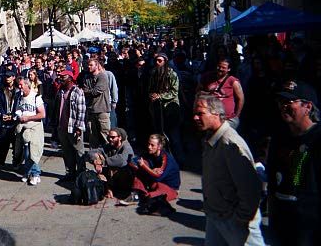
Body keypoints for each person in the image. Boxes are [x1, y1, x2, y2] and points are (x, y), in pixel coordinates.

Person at [193, 92, 264, 246]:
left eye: (200, 113)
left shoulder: (231, 144)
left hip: (234, 220)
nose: (195, 118)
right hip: (215, 215)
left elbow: (251, 189)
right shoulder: (209, 139)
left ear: (216, 114)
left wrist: (241, 218)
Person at [267, 83, 321, 245]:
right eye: (281, 102)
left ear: (307, 106)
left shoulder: (317, 139)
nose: (283, 106)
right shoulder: (280, 137)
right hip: (281, 221)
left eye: (290, 102)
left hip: (310, 226)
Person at [148, 53, 185, 166]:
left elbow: (174, 92)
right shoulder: (154, 73)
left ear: (165, 61)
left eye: (160, 61)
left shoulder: (171, 74)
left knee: (173, 136)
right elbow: (150, 88)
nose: (157, 63)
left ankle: (179, 161)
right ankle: (163, 160)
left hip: (171, 107)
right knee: (160, 135)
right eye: (156, 61)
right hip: (157, 108)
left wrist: (160, 96)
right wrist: (152, 95)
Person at [129, 134, 181, 202]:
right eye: (148, 144)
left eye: (152, 145)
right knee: (138, 171)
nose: (149, 147)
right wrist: (150, 170)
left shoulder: (166, 158)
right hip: (155, 183)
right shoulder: (149, 154)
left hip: (168, 187)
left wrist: (144, 166)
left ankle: (143, 195)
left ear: (159, 146)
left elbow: (158, 177)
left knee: (151, 198)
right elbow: (132, 161)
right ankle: (138, 194)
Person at [54, 70, 86, 181]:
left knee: (78, 151)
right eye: (60, 77)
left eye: (64, 77)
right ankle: (70, 173)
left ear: (70, 79)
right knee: (66, 152)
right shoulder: (60, 91)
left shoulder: (77, 91)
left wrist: (79, 128)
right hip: (62, 127)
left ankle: (81, 175)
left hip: (73, 127)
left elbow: (81, 111)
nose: (61, 79)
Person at [197, 58, 244, 129]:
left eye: (223, 67)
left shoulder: (233, 81)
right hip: (210, 116)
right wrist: (208, 93)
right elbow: (198, 91)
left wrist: (237, 116)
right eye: (219, 66)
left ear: (229, 69)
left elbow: (241, 99)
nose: (220, 69)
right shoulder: (207, 77)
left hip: (228, 119)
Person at [15, 77, 46, 185]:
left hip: (35, 127)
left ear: (27, 85)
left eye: (21, 85)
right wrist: (19, 115)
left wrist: (28, 118)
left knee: (32, 151)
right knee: (26, 151)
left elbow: (42, 114)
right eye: (19, 85)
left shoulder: (36, 97)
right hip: (24, 127)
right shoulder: (20, 97)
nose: (20, 87)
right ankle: (28, 172)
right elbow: (18, 109)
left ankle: (35, 173)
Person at [0, 71, 22, 172]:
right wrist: (2, 114)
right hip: (4, 122)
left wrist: (13, 116)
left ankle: (16, 163)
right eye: (6, 77)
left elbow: (21, 106)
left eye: (9, 77)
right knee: (2, 144)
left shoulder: (18, 92)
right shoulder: (1, 90)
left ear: (13, 77)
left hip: (15, 122)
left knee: (16, 146)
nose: (7, 78)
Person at [82, 58, 111, 148]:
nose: (89, 67)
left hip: (102, 109)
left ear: (97, 66)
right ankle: (93, 155)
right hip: (91, 110)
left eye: (91, 65)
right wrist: (89, 91)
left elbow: (96, 91)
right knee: (92, 134)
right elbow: (85, 91)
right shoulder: (87, 77)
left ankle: (109, 153)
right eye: (88, 65)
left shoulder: (103, 76)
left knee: (105, 133)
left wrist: (88, 91)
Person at [101, 128, 135, 203]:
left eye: (113, 137)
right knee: (98, 173)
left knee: (119, 169)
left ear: (119, 138)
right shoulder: (109, 145)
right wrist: (95, 159)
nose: (110, 139)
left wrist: (104, 161)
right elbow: (95, 151)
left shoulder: (126, 147)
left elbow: (122, 161)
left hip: (126, 178)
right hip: (115, 179)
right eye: (109, 137)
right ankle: (109, 189)